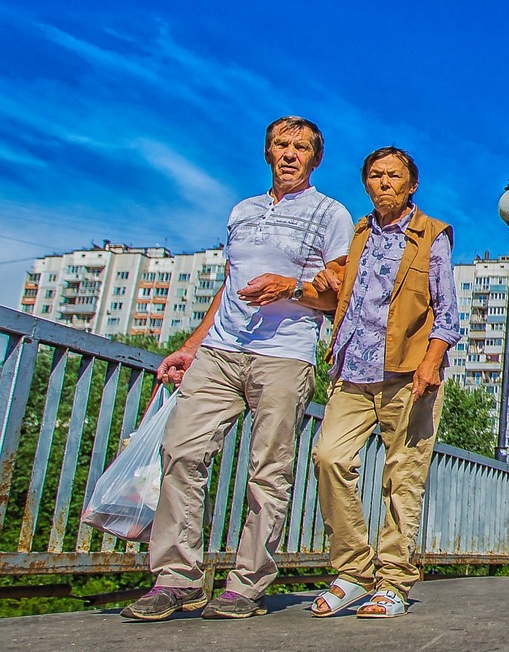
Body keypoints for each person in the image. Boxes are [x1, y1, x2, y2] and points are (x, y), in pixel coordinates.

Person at [122, 116, 354, 622]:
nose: (289, 154)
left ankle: (247, 584)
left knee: (267, 472)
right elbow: (229, 286)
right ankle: (177, 579)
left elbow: (341, 291)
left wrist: (290, 288)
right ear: (267, 152)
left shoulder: (331, 213)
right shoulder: (242, 211)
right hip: (221, 351)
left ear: (316, 158)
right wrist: (191, 345)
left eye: (300, 148)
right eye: (280, 145)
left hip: (284, 355)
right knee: (181, 453)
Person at [307, 147, 461, 619]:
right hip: (352, 370)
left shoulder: (431, 235)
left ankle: (392, 579)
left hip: (408, 374)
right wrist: (326, 280)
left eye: (394, 176)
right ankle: (352, 570)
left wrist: (431, 363)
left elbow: (447, 313)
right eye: (375, 176)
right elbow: (344, 297)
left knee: (403, 478)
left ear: (412, 185)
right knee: (328, 456)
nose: (384, 183)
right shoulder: (358, 233)